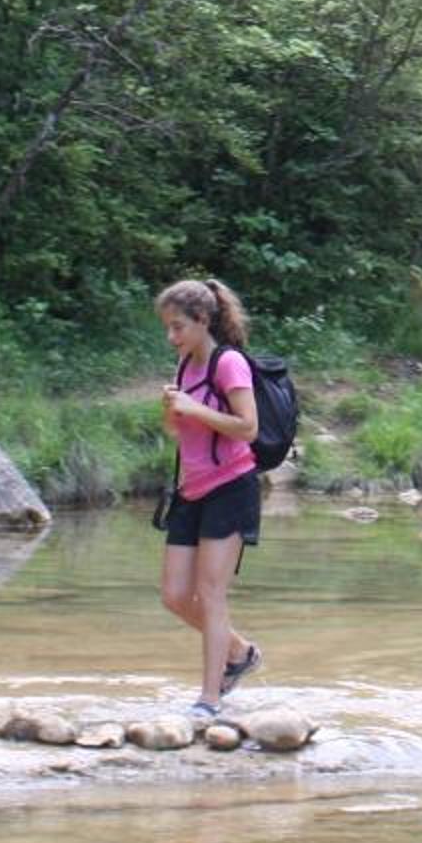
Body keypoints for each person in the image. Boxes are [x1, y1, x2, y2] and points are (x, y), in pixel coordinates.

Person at [154, 276, 264, 715]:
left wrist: (194, 408)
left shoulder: (229, 363)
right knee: (174, 595)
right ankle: (239, 653)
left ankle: (209, 699)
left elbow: (248, 428)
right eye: (168, 327)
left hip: (232, 488)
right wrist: (172, 410)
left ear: (202, 320)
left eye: (178, 326)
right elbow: (179, 431)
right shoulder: (185, 366)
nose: (171, 336)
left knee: (211, 593)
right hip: (191, 491)